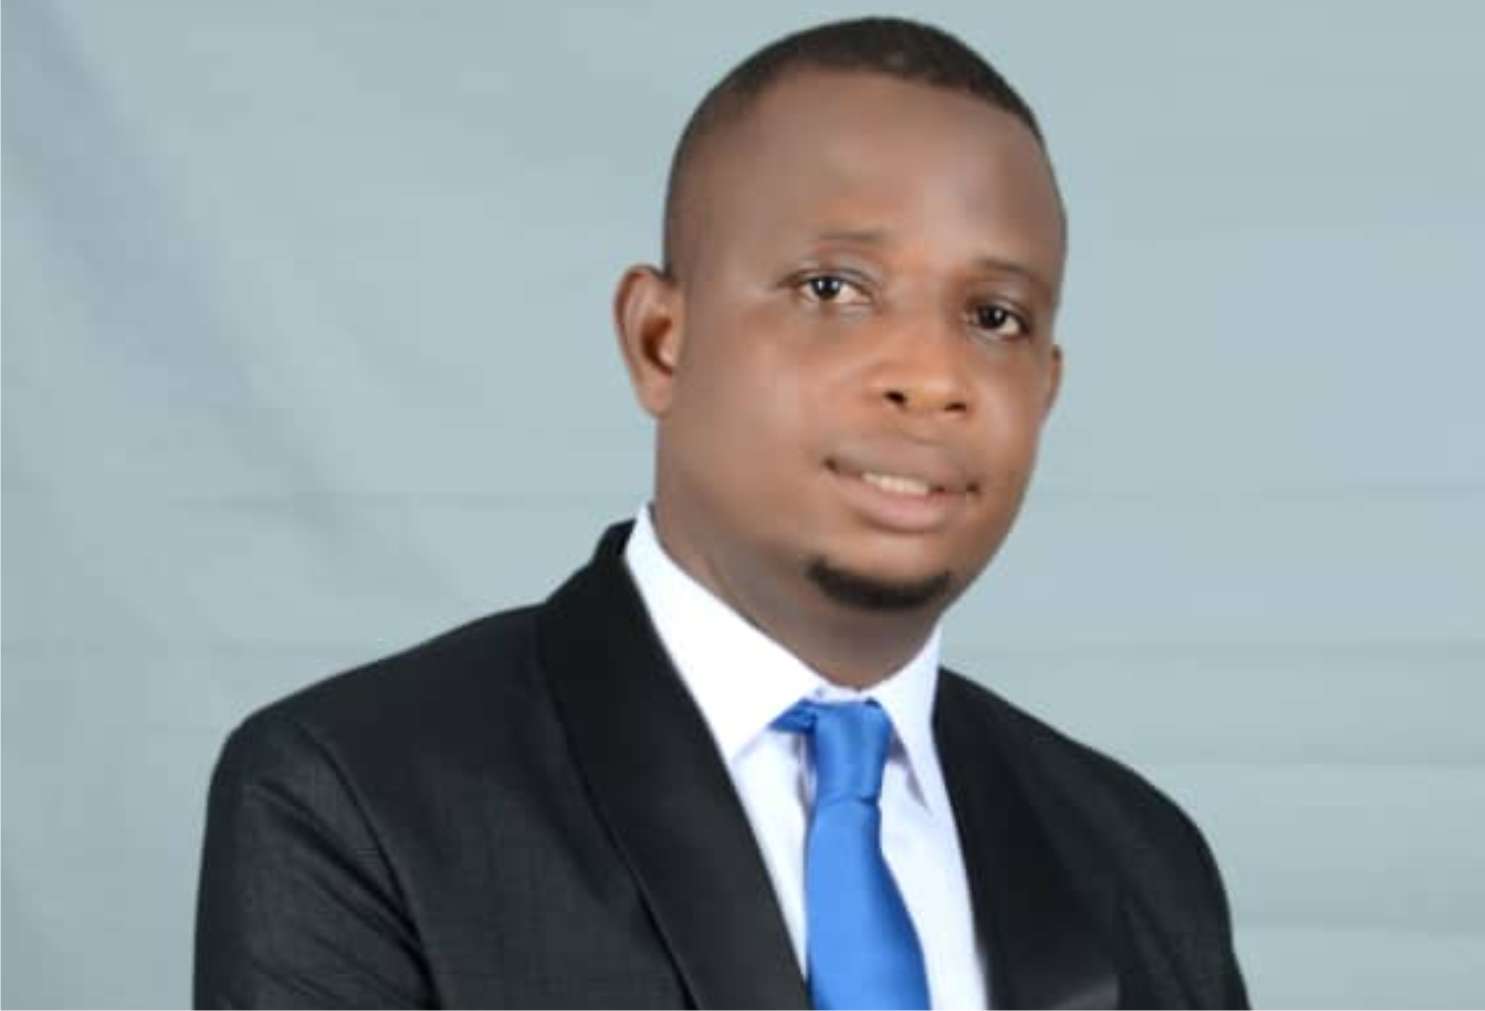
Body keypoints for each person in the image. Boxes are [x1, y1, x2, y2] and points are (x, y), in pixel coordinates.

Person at [194, 17, 1248, 1010]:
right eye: (832, 288)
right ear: (661, 341)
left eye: (995, 315)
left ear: (1047, 388)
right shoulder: (358, 794)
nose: (932, 377)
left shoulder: (1138, 859)